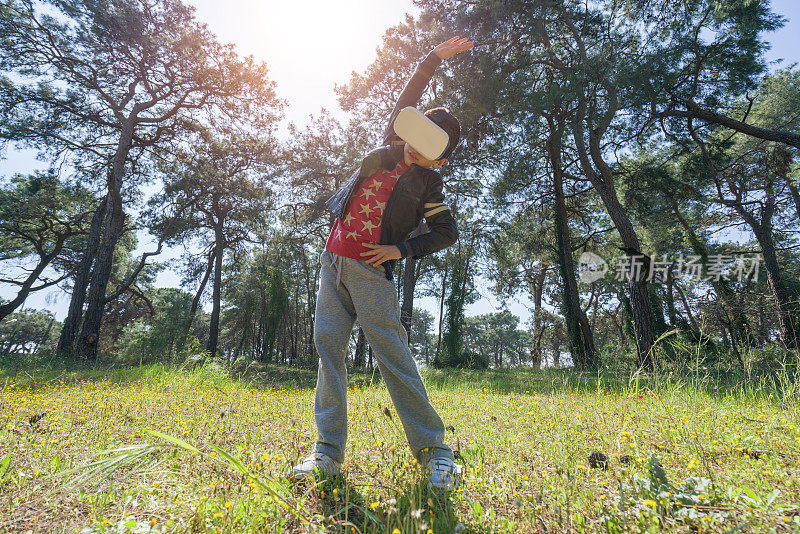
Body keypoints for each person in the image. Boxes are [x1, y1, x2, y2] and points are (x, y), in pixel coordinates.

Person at [289, 36, 473, 491]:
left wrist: (400, 251)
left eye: (430, 146)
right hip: (332, 263)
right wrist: (432, 59)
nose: (415, 148)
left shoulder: (429, 187)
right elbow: (407, 98)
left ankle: (436, 453)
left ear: (442, 158)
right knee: (327, 351)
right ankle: (327, 455)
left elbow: (447, 233)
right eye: (416, 135)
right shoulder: (391, 143)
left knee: (393, 358)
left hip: (371, 274)